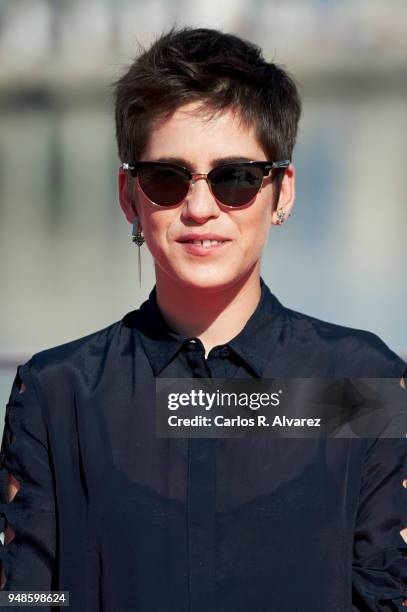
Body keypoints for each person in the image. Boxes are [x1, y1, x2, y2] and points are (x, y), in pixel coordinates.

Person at [0, 26, 406, 612]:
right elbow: (31, 597)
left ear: (281, 191)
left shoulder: (359, 382)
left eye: (235, 178)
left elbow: (385, 593)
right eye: (167, 178)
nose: (199, 207)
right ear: (129, 197)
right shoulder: (57, 393)